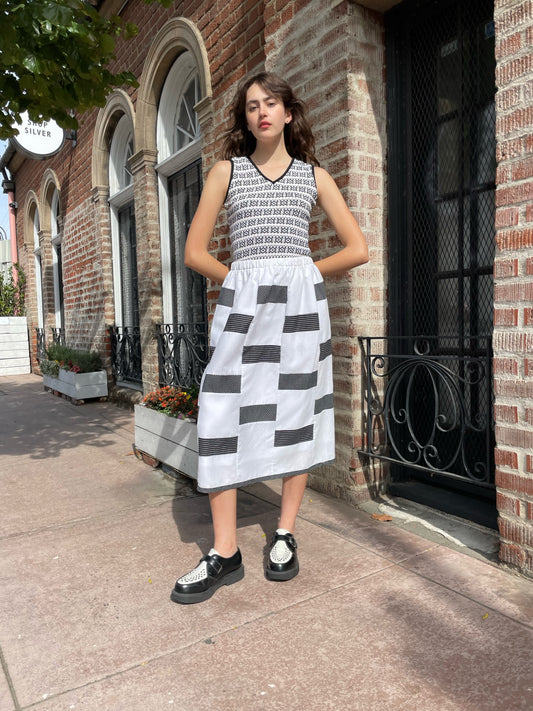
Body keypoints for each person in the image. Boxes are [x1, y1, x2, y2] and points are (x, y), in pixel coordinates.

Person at [171, 72, 368, 604]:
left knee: (294, 412)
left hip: (300, 311)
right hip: (242, 310)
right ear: (245, 118)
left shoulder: (314, 177)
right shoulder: (225, 172)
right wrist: (240, 280)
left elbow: (357, 248)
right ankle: (225, 551)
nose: (261, 111)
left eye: (271, 103)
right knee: (220, 411)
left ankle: (284, 533)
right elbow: (195, 252)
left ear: (287, 113)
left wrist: (304, 274)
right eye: (252, 105)